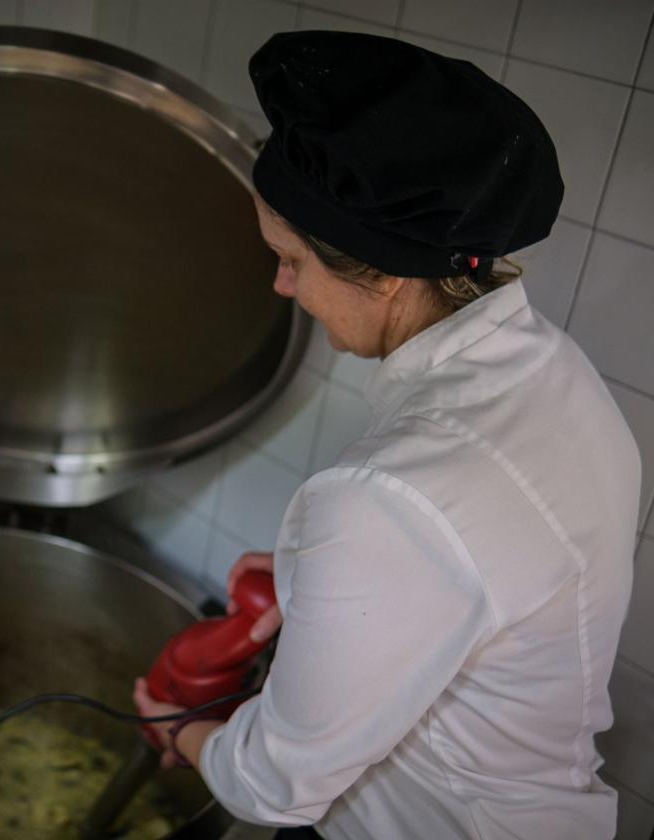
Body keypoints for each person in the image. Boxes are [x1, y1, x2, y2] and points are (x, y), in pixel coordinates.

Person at [133, 31, 641, 840]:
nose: (280, 284)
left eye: (291, 259)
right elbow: (482, 573)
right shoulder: (559, 377)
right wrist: (324, 580)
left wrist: (173, 725)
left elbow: (270, 788)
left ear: (389, 272)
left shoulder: (389, 499)